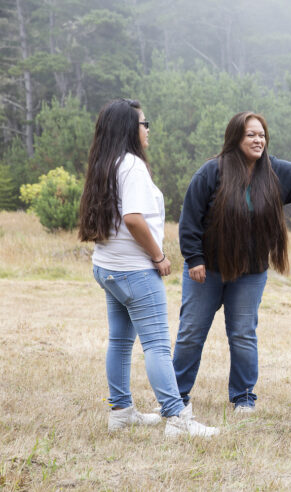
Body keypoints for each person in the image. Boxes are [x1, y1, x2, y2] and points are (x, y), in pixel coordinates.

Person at [174, 112, 291, 413]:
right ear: (235, 137)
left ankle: (243, 397)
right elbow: (190, 219)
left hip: (250, 273)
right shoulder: (212, 171)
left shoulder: (275, 172)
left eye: (262, 134)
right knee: (191, 333)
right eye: (251, 134)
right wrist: (194, 258)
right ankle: (177, 396)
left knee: (242, 334)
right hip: (207, 270)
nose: (258, 139)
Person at [78, 98, 218, 437]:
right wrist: (158, 256)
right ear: (130, 129)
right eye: (144, 123)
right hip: (135, 270)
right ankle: (177, 418)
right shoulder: (133, 166)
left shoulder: (105, 163)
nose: (148, 130)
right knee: (156, 344)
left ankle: (121, 411)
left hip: (107, 267)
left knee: (120, 340)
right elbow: (133, 219)